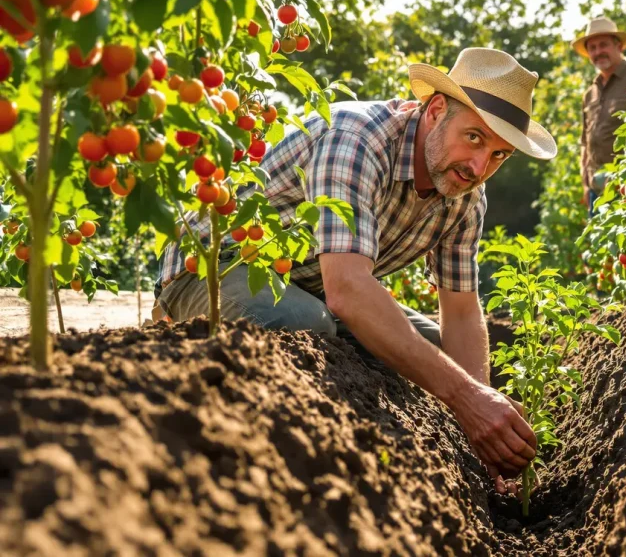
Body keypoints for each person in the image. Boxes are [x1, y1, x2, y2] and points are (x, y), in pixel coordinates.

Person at [153, 48, 557, 493]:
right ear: (437, 110)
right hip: (218, 266)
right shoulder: (358, 137)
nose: (479, 168)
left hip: (314, 286)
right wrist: (465, 399)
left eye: (499, 155)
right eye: (475, 138)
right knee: (303, 326)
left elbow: (460, 313)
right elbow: (347, 289)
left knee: (435, 353)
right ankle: (174, 321)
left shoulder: (465, 197)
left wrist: (482, 418)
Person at [573, 17, 626, 216]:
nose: (598, 52)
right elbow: (586, 142)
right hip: (597, 190)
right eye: (592, 48)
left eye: (603, 45)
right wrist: (585, 184)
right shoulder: (590, 93)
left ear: (618, 45)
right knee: (601, 246)